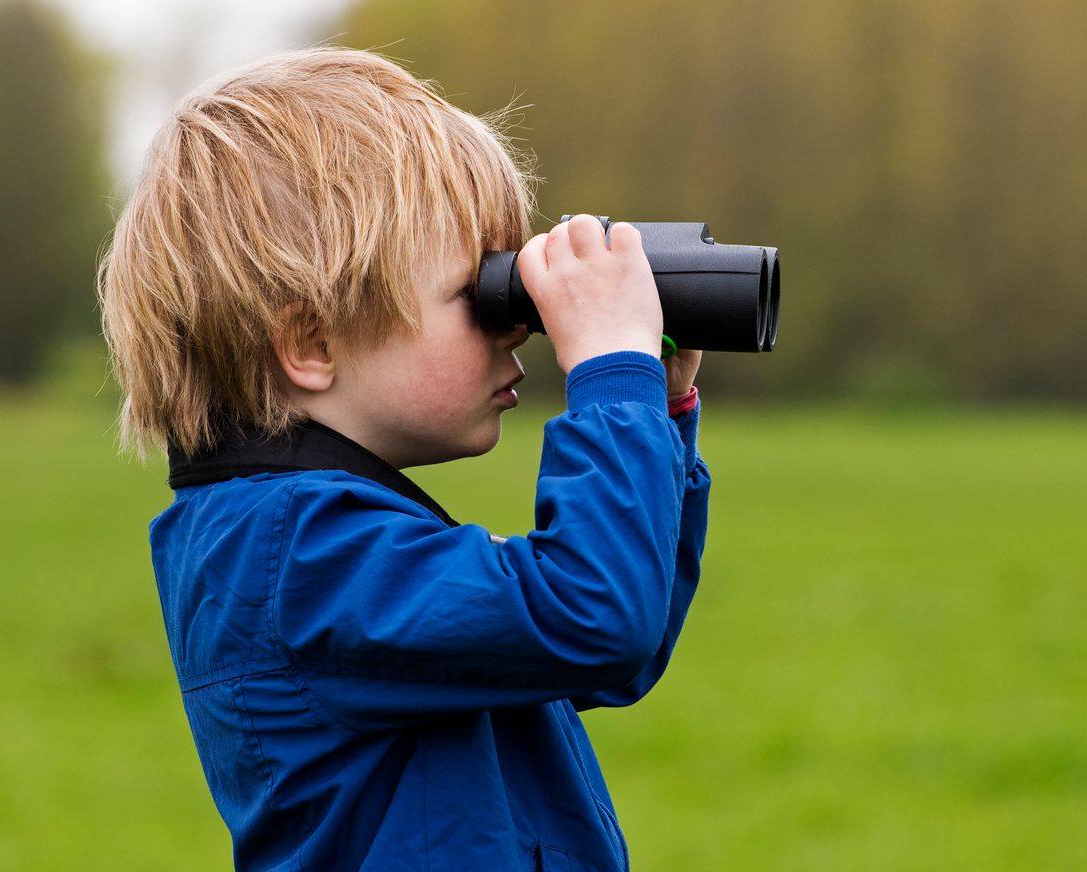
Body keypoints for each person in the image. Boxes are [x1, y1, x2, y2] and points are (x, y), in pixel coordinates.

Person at [97, 47, 709, 871]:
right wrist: (608, 375)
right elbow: (598, 617)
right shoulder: (298, 558)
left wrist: (659, 414)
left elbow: (612, 645)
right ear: (312, 342)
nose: (517, 324)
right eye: (479, 295)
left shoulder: (317, 538)